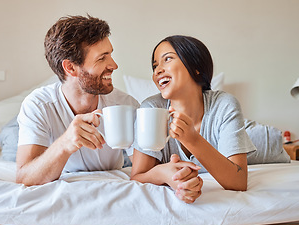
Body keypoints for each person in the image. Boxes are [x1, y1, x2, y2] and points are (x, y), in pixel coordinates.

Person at [130, 35, 256, 203]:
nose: (157, 70)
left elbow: (238, 182)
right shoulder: (150, 109)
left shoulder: (224, 104)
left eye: (167, 59)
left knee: (267, 139)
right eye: (155, 65)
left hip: (257, 143)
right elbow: (137, 176)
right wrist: (165, 174)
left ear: (196, 67)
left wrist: (191, 139)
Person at [16, 15, 139, 186]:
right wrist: (65, 143)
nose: (114, 65)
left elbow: (146, 170)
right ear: (71, 68)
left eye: (110, 55)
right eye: (102, 58)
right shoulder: (38, 105)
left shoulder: (125, 105)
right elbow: (24, 178)